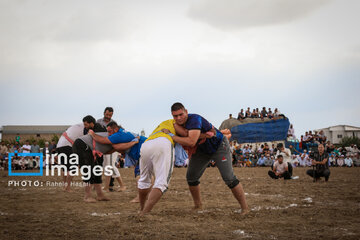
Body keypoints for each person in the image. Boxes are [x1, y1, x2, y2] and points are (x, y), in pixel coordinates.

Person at [169, 102, 249, 214]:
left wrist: (172, 136)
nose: (179, 118)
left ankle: (245, 208)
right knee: (191, 177)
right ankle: (198, 206)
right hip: (202, 150)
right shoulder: (175, 124)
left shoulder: (194, 119)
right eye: (175, 116)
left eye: (181, 114)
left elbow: (191, 141)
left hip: (218, 146)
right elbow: (187, 134)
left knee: (229, 178)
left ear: (186, 111)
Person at [137, 119, 188, 215]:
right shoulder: (182, 122)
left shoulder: (166, 122)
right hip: (164, 142)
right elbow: (186, 135)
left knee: (144, 179)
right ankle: (144, 212)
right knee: (162, 181)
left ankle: (142, 208)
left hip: (147, 143)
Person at [89, 122, 147, 203]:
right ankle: (145, 193)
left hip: (143, 151)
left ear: (115, 129)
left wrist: (92, 134)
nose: (109, 134)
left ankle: (139, 197)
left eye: (110, 131)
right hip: (145, 149)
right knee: (147, 174)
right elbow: (115, 148)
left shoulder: (118, 135)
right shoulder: (123, 133)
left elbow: (104, 141)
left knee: (138, 174)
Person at [56, 115, 105, 192]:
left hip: (59, 145)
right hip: (67, 144)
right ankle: (67, 187)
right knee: (73, 167)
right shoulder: (86, 129)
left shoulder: (78, 126)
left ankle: (65, 186)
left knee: (65, 167)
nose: (85, 126)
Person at [97, 107, 126, 192]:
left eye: (110, 115)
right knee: (106, 166)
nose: (108, 116)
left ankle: (121, 186)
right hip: (104, 148)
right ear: (104, 113)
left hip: (112, 147)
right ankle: (107, 186)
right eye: (107, 114)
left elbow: (121, 132)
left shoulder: (114, 123)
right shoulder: (98, 122)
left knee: (110, 166)